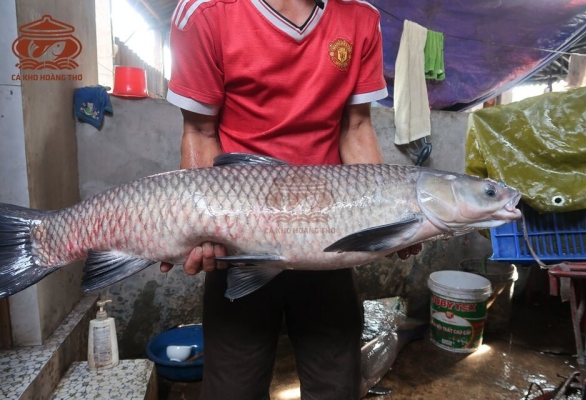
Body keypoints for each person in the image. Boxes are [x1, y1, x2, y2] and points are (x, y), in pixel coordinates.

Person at [162, 0, 422, 398]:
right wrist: (203, 227)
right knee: (233, 388)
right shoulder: (205, 12)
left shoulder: (360, 16)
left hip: (328, 234)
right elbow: (199, 130)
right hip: (239, 237)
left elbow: (355, 126)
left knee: (336, 385)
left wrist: (386, 213)